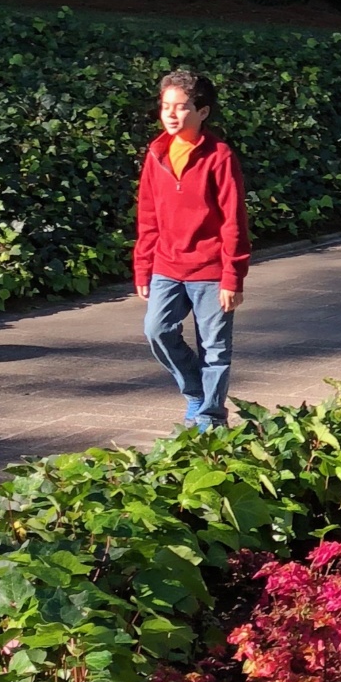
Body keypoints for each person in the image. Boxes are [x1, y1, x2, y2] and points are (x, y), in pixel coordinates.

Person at [134, 68, 249, 431]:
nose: (170, 114)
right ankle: (195, 390)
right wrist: (143, 266)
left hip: (212, 271)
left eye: (181, 107)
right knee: (157, 330)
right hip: (167, 264)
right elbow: (148, 214)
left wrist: (232, 276)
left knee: (215, 350)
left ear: (202, 112)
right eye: (166, 106)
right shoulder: (156, 153)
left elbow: (233, 219)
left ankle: (211, 418)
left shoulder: (219, 156)